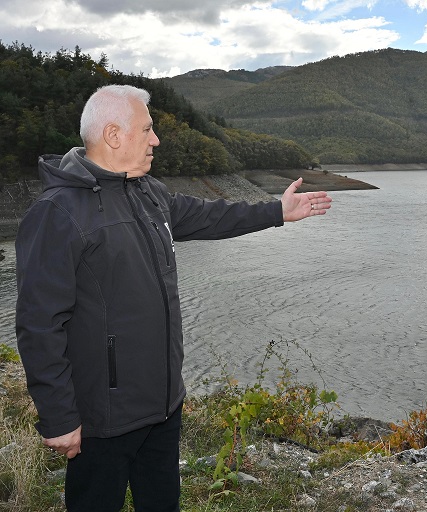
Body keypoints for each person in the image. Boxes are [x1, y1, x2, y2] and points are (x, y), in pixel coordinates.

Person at [14, 84, 332, 512]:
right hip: (103, 417)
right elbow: (38, 323)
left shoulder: (147, 192)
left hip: (163, 405)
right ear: (113, 135)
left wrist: (276, 212)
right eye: (147, 130)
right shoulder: (59, 212)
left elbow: (208, 215)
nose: (156, 140)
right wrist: (59, 416)